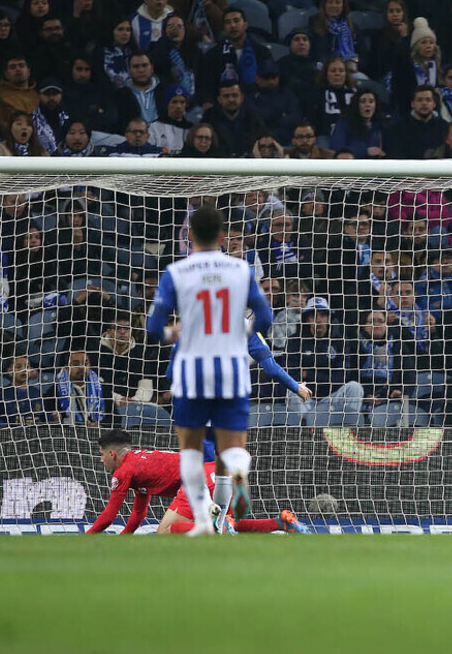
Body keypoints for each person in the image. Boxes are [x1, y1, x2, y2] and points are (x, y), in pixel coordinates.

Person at [145, 205, 274, 536]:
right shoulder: (240, 269)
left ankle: (204, 522)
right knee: (232, 447)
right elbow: (266, 319)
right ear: (222, 237)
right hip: (231, 368)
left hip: (192, 370)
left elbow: (154, 326)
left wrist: (174, 333)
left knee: (190, 449)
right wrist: (241, 333)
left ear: (188, 236)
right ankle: (239, 477)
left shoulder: (177, 271)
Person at [85, 429, 311, 534]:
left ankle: (223, 524)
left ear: (113, 455)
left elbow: (109, 516)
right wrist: (124, 538)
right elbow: (138, 513)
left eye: (102, 455)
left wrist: (87, 537)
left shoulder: (123, 472)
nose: (101, 460)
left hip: (198, 479)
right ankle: (280, 522)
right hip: (218, 473)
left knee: (165, 531)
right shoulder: (141, 464)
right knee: (224, 523)